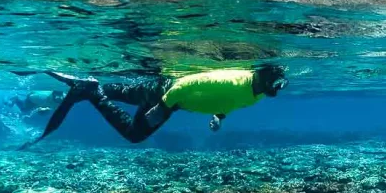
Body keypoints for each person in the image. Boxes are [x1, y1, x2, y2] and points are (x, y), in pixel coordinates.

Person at [21, 64, 288, 147]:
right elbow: (187, 82)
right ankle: (89, 92)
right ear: (265, 79)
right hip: (166, 93)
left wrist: (219, 115)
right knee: (135, 133)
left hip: (169, 100)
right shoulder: (232, 80)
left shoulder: (257, 93)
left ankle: (85, 90)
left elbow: (232, 102)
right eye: (274, 84)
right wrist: (162, 107)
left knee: (115, 92)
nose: (275, 90)